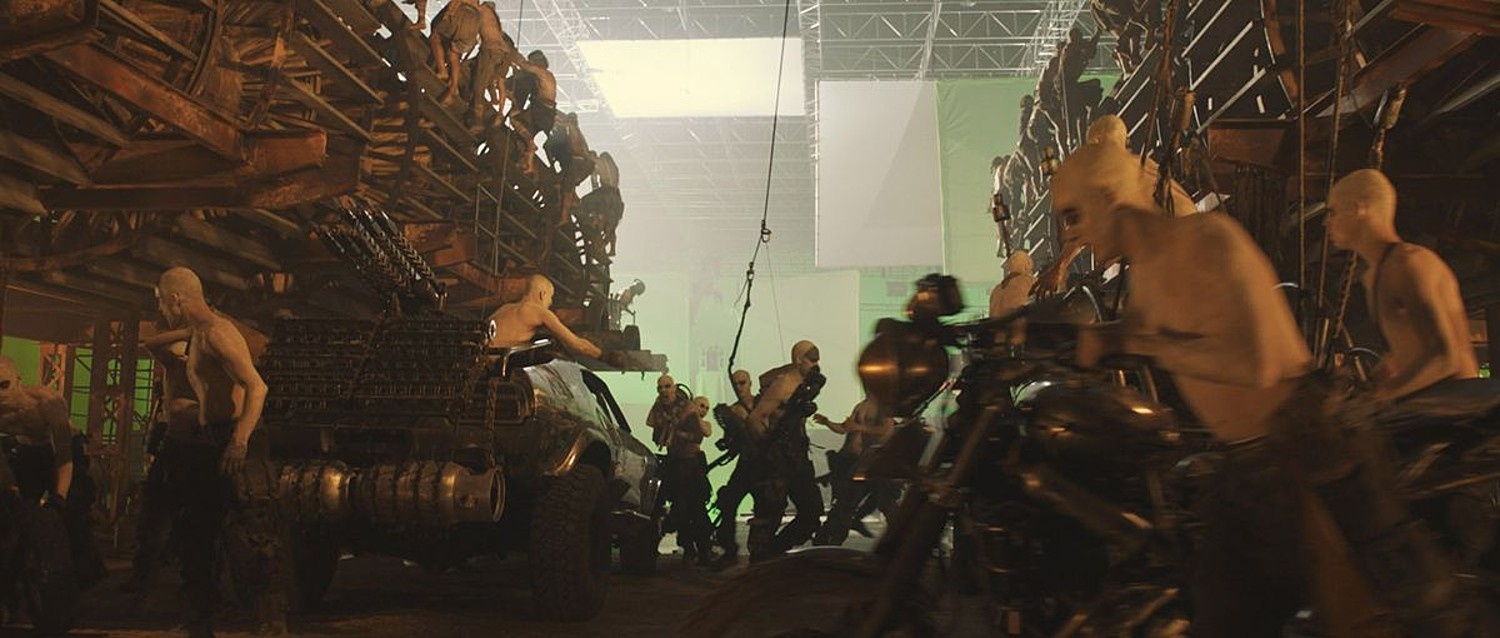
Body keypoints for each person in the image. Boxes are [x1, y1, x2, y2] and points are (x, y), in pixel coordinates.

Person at [1055, 141, 1479, 636]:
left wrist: (1139, 342)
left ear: (1108, 197)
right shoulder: (1146, 273)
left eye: (1073, 215)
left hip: (1304, 453)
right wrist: (1066, 335)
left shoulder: (1207, 239)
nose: (1072, 233)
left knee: (1387, 615)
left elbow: (1259, 365)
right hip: (1245, 467)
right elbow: (1140, 335)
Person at [156, 266, 283, 637]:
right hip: (210, 439)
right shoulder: (199, 335)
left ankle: (270, 623)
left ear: (176, 299)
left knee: (256, 535)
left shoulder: (217, 333)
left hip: (236, 439)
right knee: (197, 533)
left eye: (162, 302)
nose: (161, 310)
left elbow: (257, 387)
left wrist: (239, 440)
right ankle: (201, 620)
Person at [1325, 169, 1479, 402]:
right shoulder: (1374, 275)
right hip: (1429, 408)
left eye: (1333, 212)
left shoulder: (1409, 264)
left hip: (1456, 411)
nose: (1327, 222)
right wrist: (1367, 389)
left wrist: (1378, 400)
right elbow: (1404, 353)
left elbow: (1444, 357)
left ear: (1357, 210)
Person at [1033, 114, 1198, 297]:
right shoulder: (1144, 165)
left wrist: (1059, 267)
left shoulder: (1107, 164)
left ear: (1097, 140)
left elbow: (1086, 226)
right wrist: (1099, 270)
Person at [121, 322, 199, 598]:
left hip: (197, 449)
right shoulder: (175, 369)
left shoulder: (206, 372)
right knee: (154, 518)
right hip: (174, 447)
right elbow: (152, 344)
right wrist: (189, 331)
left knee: (193, 519)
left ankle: (192, 582)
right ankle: (144, 575)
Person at [745, 341, 825, 562]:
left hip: (798, 455)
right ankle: (760, 560)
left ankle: (774, 552)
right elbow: (755, 418)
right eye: (811, 359)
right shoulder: (783, 385)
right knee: (771, 511)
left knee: (811, 511)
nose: (815, 364)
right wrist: (766, 447)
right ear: (799, 360)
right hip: (777, 457)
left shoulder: (807, 384)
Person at [812, 398, 896, 546]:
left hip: (877, 462)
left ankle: (902, 538)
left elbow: (887, 429)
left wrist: (859, 427)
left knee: (884, 502)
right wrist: (827, 422)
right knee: (846, 503)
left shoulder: (882, 406)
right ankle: (830, 540)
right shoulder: (862, 406)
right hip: (864, 461)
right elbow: (845, 428)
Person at [708, 370, 760, 570]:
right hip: (746, 464)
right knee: (728, 503)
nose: (739, 387)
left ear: (750, 383)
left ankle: (760, 554)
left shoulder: (763, 404)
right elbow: (731, 441)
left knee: (765, 510)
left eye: (742, 383)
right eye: (736, 383)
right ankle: (730, 551)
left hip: (765, 465)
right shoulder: (733, 411)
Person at [487, 274, 604, 359]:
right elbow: (577, 344)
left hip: (480, 354)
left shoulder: (506, 307)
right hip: (492, 360)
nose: (551, 302)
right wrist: (602, 355)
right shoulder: (540, 312)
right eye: (550, 297)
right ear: (542, 294)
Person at [467, 2, 519, 130]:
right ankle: (498, 108)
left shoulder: (480, 11)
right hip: (501, 53)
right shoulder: (496, 23)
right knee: (495, 81)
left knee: (479, 87)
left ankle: (478, 122)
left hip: (490, 50)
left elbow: (473, 39)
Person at [428, 0, 482, 104]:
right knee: (454, 52)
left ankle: (442, 70)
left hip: (461, 13)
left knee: (435, 37)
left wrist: (448, 13)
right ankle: (454, 86)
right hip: (474, 21)